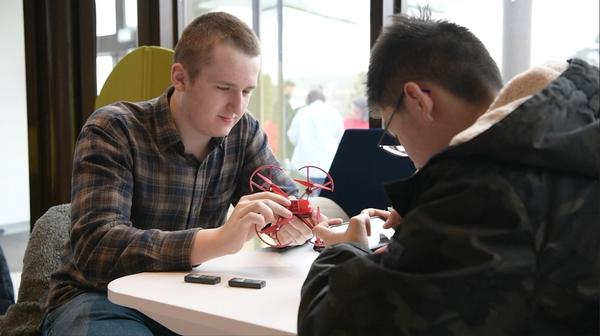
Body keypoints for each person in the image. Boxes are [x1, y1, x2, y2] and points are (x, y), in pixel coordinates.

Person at [298, 11, 599, 335]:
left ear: (418, 100)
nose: (404, 149)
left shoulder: (481, 194)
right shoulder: (575, 125)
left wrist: (345, 250)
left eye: (393, 131)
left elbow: (328, 324)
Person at [42, 12, 314, 335]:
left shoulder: (242, 132)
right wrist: (216, 240)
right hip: (99, 298)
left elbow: (290, 201)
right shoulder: (113, 130)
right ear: (180, 78)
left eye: (246, 91)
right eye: (224, 88)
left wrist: (300, 225)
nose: (237, 106)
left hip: (192, 296)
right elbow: (96, 248)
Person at [287, 87, 344, 179]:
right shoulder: (333, 112)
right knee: (325, 193)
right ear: (323, 98)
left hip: (304, 166)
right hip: (328, 165)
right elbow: (341, 138)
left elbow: (292, 136)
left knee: (306, 192)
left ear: (308, 99)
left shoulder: (302, 112)